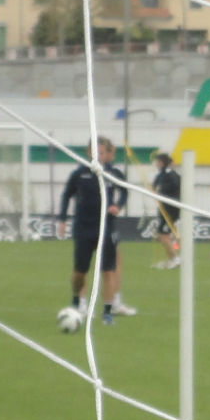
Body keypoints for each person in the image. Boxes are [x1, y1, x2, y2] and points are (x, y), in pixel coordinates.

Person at [57, 136, 136, 325]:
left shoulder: (112, 173)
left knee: (108, 271)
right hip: (83, 228)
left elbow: (124, 191)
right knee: (79, 272)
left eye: (101, 152)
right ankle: (79, 301)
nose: (97, 155)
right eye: (94, 152)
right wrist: (62, 219)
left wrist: (118, 205)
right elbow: (67, 194)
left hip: (105, 228)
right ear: (88, 152)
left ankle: (107, 311)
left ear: (106, 154)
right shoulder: (79, 174)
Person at [150, 151, 182, 270]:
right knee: (162, 235)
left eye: (157, 162)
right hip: (163, 208)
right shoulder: (161, 175)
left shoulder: (171, 174)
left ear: (162, 163)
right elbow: (154, 186)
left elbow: (175, 187)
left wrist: (161, 190)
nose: (156, 164)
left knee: (163, 235)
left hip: (171, 209)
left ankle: (175, 259)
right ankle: (173, 258)